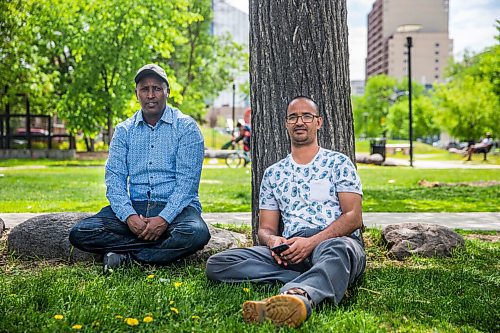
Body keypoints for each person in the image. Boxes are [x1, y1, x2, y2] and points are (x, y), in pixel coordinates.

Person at [206, 96, 365, 328]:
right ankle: (325, 280)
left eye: (307, 116)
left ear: (318, 122)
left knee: (339, 250)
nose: (300, 121)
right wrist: (273, 242)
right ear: (286, 124)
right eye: (293, 117)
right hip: (290, 253)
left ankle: (299, 296)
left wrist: (310, 243)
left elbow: (353, 217)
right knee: (219, 264)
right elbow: (266, 228)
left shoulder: (338, 163)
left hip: (332, 241)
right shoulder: (273, 174)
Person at [69, 64, 210, 273]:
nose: (151, 95)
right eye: (145, 89)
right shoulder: (124, 130)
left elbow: (187, 185)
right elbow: (114, 181)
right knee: (80, 232)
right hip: (135, 207)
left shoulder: (186, 128)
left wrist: (163, 219)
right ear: (136, 94)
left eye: (157, 88)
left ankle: (128, 256)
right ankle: (155, 252)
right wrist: (130, 217)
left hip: (177, 210)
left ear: (167, 92)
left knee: (196, 233)